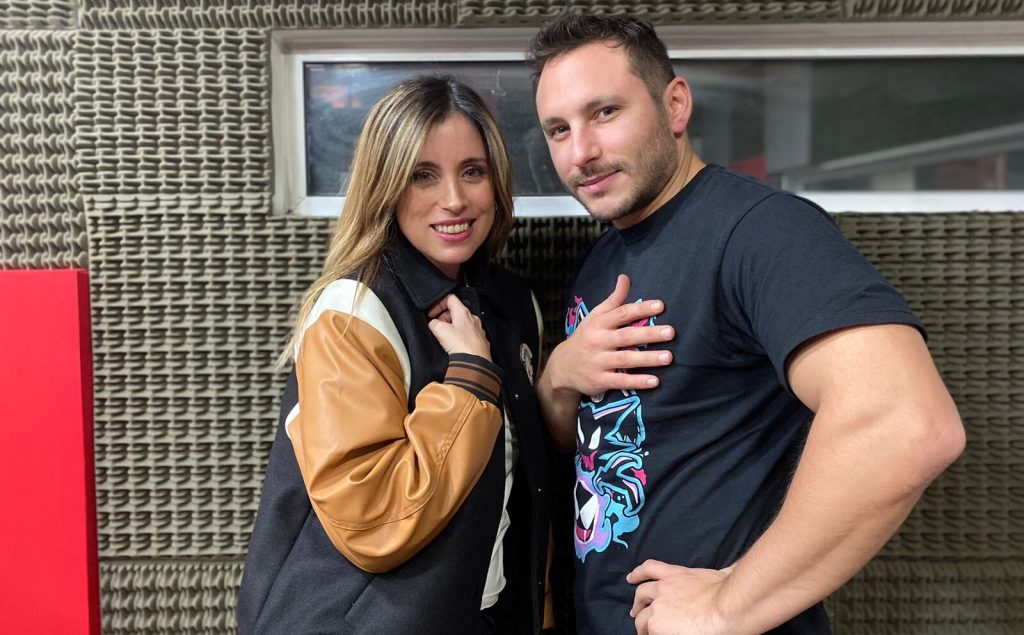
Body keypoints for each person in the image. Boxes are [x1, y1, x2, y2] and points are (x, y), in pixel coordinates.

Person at [528, 15, 965, 635]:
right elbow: (584, 443)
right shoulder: (604, 258)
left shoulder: (760, 230)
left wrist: (726, 606)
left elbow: (905, 423)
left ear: (674, 105)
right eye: (559, 129)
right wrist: (559, 377)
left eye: (605, 113)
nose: (581, 152)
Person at [236, 76, 551, 634]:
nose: (454, 199)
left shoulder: (513, 305)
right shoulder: (354, 311)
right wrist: (471, 382)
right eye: (422, 175)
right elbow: (374, 521)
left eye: (472, 171)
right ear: (385, 185)